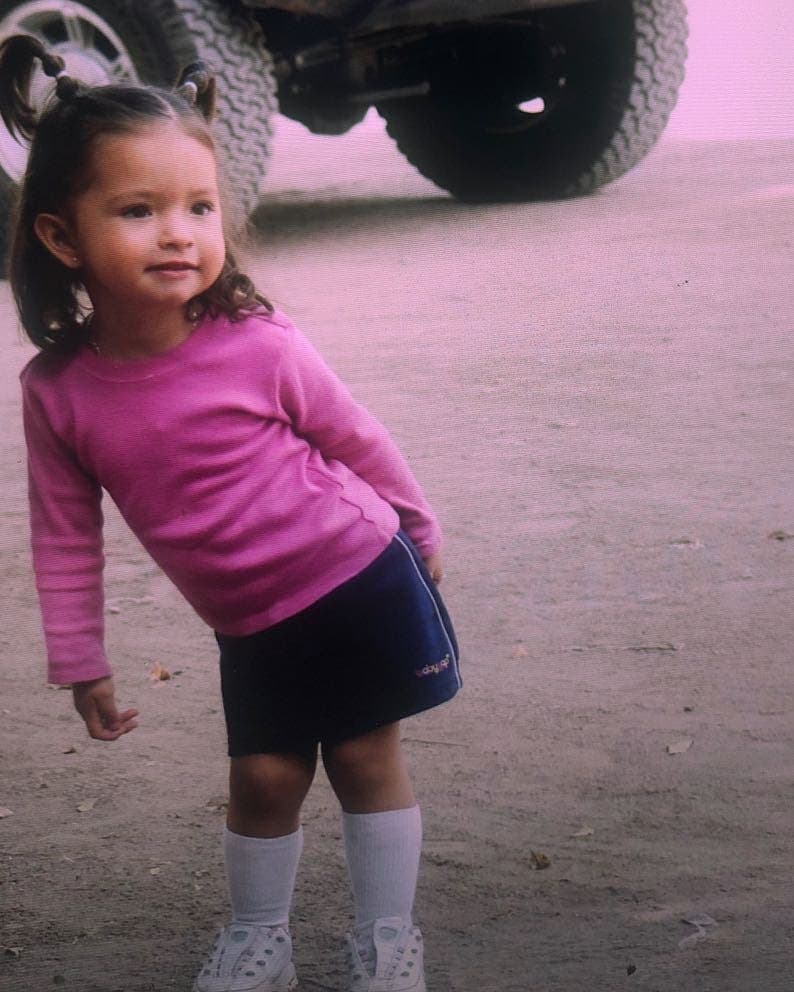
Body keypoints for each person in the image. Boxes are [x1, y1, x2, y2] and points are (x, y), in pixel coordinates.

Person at [1, 34, 461, 992]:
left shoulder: (257, 340)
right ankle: (261, 939)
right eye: (139, 210)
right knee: (263, 781)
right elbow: (63, 533)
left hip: (356, 577)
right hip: (250, 624)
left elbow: (356, 438)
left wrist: (418, 528)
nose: (180, 232)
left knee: (368, 760)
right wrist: (79, 658)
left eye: (199, 208)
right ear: (59, 235)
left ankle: (387, 941)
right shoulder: (58, 391)